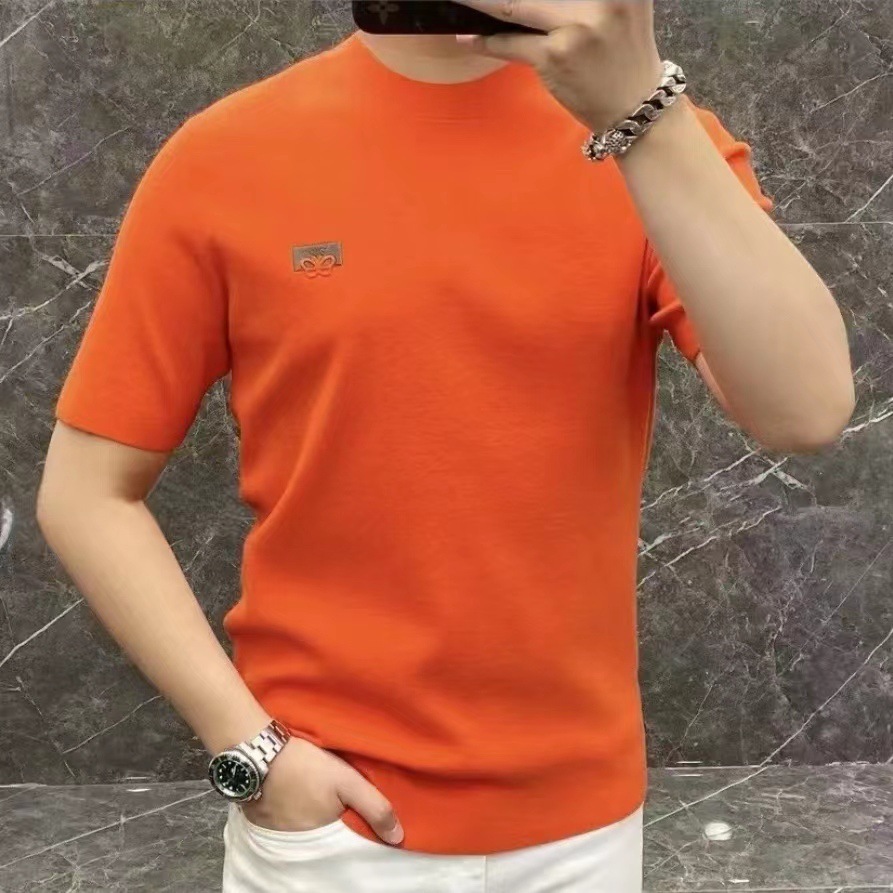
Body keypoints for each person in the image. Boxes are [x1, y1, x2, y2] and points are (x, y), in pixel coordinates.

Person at [37, 2, 854, 890]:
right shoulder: (226, 157)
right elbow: (86, 491)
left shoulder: (650, 140)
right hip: (327, 826)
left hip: (582, 823)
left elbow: (805, 409)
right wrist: (250, 749)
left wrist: (640, 111)